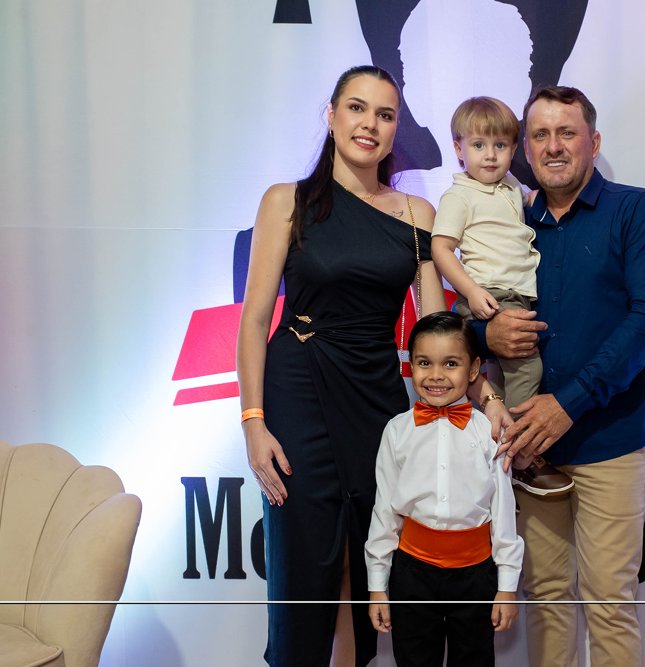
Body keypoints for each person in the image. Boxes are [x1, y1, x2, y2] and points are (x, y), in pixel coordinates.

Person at [235, 65, 509, 667]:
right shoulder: (286, 202)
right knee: (304, 553)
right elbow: (254, 321)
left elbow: (439, 332)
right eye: (357, 108)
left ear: (394, 131)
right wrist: (253, 421)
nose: (370, 124)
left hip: (377, 395)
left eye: (385, 115)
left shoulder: (417, 214)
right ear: (331, 116)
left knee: (369, 551)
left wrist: (486, 396)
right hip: (298, 387)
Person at [485, 86, 645, 666]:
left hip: (610, 441)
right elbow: (475, 312)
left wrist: (567, 403)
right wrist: (484, 335)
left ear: (593, 142)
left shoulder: (637, 210)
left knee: (609, 603)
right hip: (528, 447)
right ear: (525, 149)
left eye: (566, 133)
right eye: (540, 135)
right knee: (545, 599)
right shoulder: (509, 219)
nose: (553, 146)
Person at [431, 96, 573, 497]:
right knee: (527, 368)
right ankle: (520, 453)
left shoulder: (510, 185)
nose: (490, 156)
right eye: (478, 145)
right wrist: (472, 292)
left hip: (516, 295)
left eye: (500, 145)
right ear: (458, 149)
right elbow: (442, 248)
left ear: (514, 149)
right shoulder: (460, 195)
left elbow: (529, 200)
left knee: (510, 377)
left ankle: (495, 453)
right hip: (490, 295)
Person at [365, 311, 523, 666]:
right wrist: (377, 585)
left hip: (477, 575)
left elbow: (503, 513)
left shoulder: (490, 432)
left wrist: (506, 586)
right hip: (412, 574)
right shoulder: (396, 431)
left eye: (450, 363)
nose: (436, 375)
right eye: (424, 363)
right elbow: (384, 511)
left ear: (473, 369)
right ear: (411, 365)